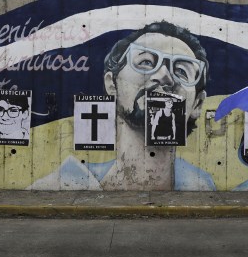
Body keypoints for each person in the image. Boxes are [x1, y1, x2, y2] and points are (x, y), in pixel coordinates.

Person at [30, 21, 215, 190]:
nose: (164, 76)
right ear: (112, 84)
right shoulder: (63, 181)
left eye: (182, 71)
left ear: (197, 104)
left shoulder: (203, 185)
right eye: (145, 62)